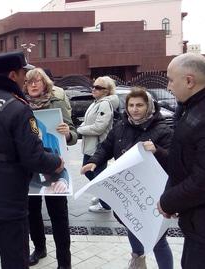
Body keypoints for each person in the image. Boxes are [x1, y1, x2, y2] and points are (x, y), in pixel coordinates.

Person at [0, 51, 65, 269]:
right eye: (23, 72)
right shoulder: (19, 108)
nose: (25, 77)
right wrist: (56, 162)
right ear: (13, 74)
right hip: (8, 199)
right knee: (15, 259)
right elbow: (33, 157)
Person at [81, 87, 174, 269]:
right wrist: (94, 161)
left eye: (140, 105)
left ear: (149, 106)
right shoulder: (121, 126)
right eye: (131, 105)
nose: (135, 109)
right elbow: (106, 147)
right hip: (128, 189)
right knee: (132, 225)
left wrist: (158, 150)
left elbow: (174, 159)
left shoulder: (163, 130)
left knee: (157, 238)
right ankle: (138, 261)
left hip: (152, 193)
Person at [158, 53, 205, 269]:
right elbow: (183, 160)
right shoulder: (196, 106)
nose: (168, 87)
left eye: (171, 80)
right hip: (199, 222)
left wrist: (168, 201)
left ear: (189, 81)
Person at [24, 67, 77, 268]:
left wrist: (68, 133)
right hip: (29, 167)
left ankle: (64, 261)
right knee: (32, 212)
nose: (34, 84)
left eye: (37, 81)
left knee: (58, 215)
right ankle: (39, 248)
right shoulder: (21, 105)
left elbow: (73, 134)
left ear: (45, 83)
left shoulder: (56, 102)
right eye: (30, 82)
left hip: (54, 165)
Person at [77, 76, 119, 213]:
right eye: (94, 86)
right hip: (91, 146)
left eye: (99, 87)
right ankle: (102, 196)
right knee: (92, 173)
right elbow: (88, 121)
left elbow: (99, 127)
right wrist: (83, 126)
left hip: (98, 146)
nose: (94, 89)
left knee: (95, 174)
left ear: (107, 91)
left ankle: (106, 204)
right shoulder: (97, 102)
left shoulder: (105, 104)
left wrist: (80, 130)